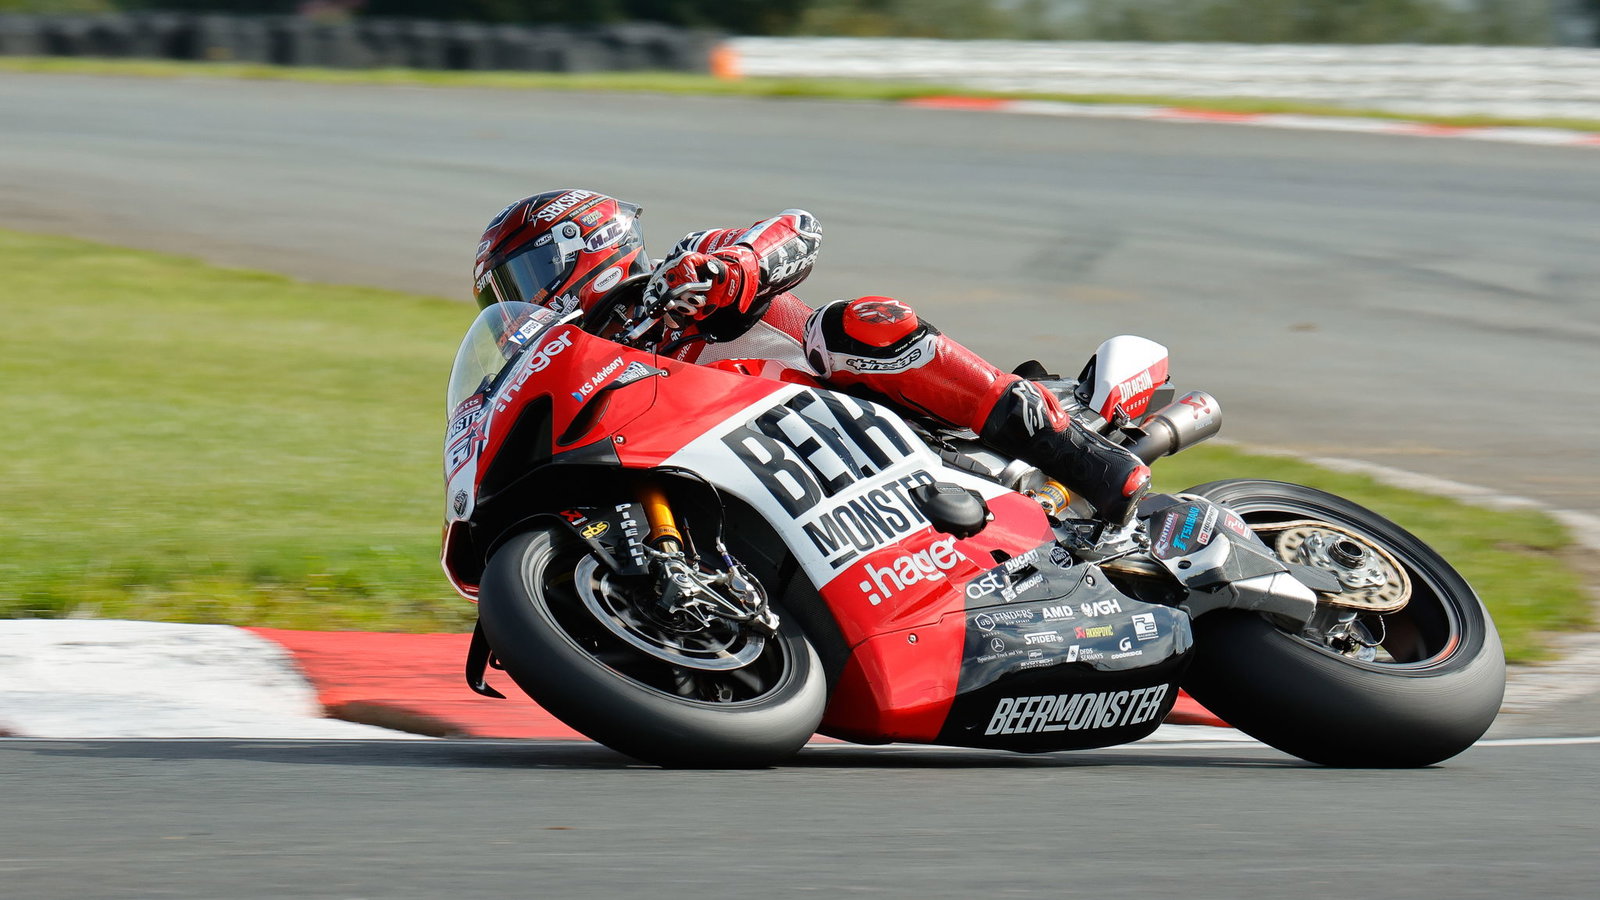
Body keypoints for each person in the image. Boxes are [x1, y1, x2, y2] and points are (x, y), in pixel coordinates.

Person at [472, 189, 1150, 523]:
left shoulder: (683, 274)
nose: (521, 305)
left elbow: (797, 229)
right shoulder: (586, 372)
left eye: (522, 281)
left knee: (863, 322)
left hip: (861, 419)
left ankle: (1084, 458)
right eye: (505, 297)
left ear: (578, 248)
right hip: (782, 487)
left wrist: (729, 266)